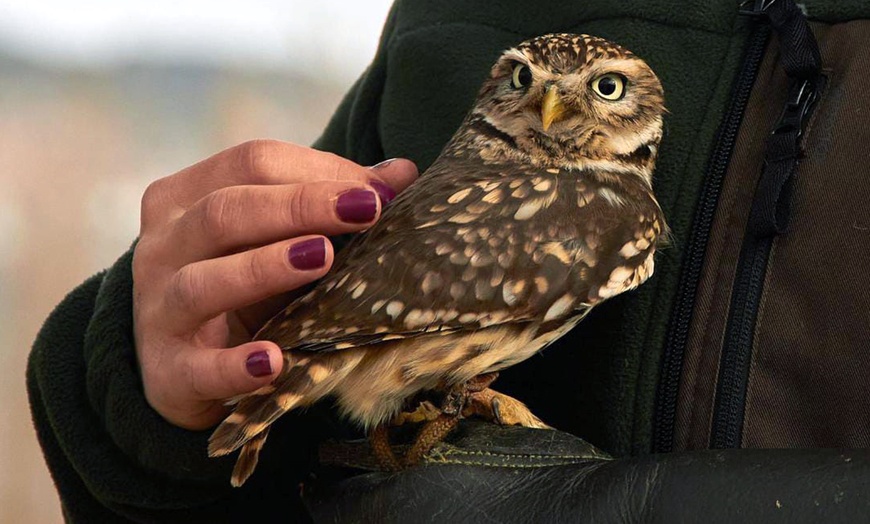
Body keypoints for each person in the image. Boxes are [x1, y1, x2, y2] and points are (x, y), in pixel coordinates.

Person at [28, 0, 870, 522]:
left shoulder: (609, 210)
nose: (553, 107)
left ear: (644, 107)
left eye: (604, 89)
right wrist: (143, 401)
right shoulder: (482, 139)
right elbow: (245, 313)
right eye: (524, 82)